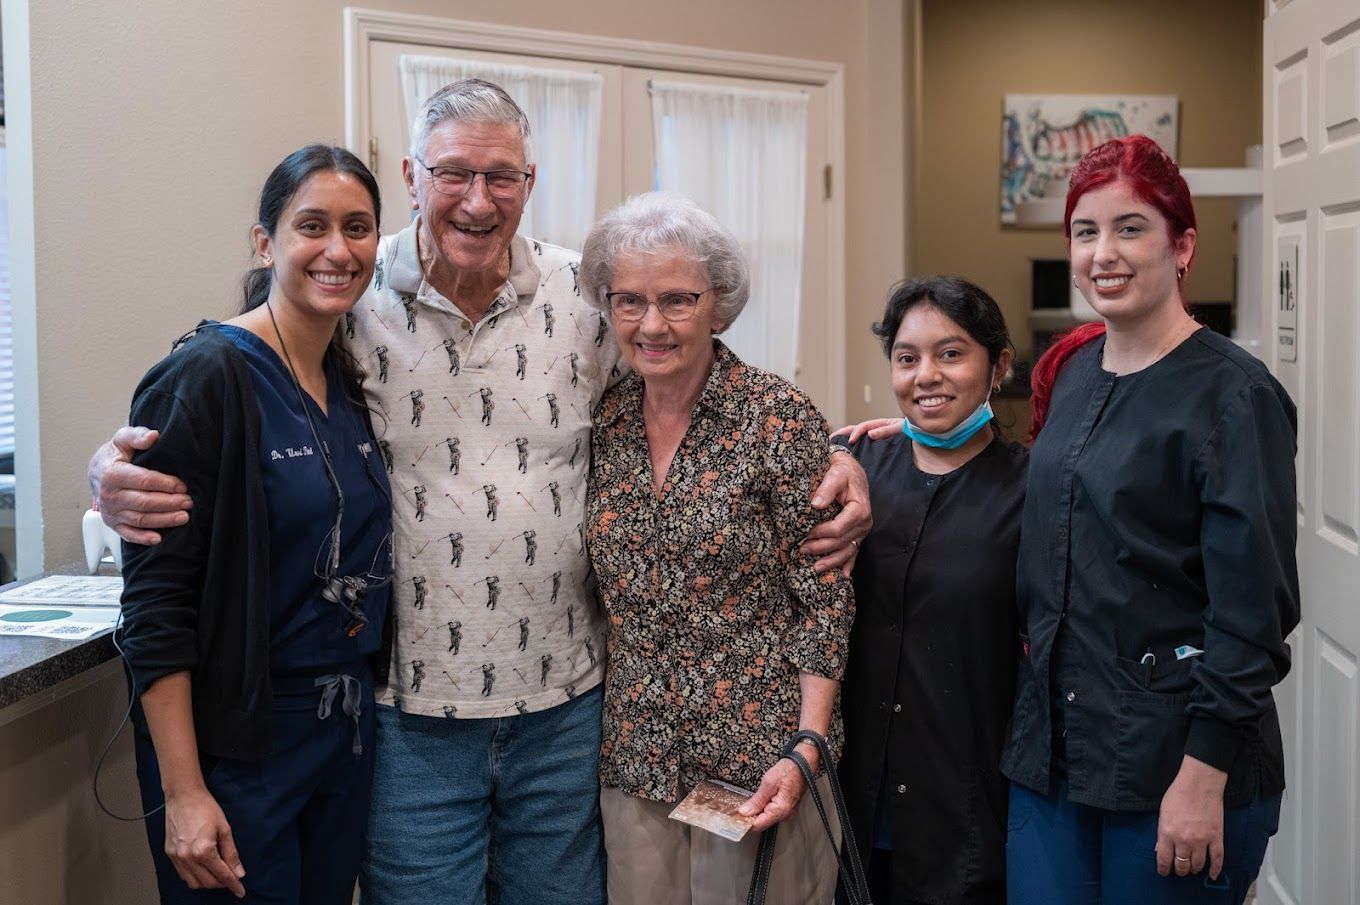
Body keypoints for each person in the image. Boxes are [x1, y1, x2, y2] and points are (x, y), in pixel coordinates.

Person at [89, 79, 871, 905]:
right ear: (415, 175)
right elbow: (232, 378)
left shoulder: (588, 298)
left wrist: (837, 453)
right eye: (454, 173)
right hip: (405, 716)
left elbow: (689, 388)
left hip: (569, 715)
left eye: (502, 176)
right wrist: (111, 464)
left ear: (530, 183)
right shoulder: (351, 293)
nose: (477, 199)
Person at [1001, 135, 1299, 904]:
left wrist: (1202, 777)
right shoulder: (1070, 371)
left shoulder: (1235, 395)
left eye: (1131, 227)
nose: (1105, 252)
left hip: (1176, 763)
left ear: (1183, 243)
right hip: (1056, 757)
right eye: (1085, 231)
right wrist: (895, 443)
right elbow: (1052, 500)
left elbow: (1254, 614)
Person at [119, 145, 391, 903]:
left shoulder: (348, 378)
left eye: (358, 227)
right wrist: (183, 791)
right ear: (265, 241)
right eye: (313, 225)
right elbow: (154, 606)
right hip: (237, 744)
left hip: (342, 733)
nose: (338, 249)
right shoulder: (208, 375)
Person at [580, 193, 856, 905]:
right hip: (640, 757)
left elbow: (824, 596)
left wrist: (807, 745)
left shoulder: (777, 417)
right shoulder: (602, 419)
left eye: (677, 299)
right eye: (629, 301)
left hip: (760, 758)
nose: (651, 324)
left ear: (719, 304)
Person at [835, 277, 1024, 904]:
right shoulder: (853, 468)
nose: (926, 377)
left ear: (997, 366)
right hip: (851, 791)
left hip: (965, 797)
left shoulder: (1033, 488)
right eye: (907, 357)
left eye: (951, 354)